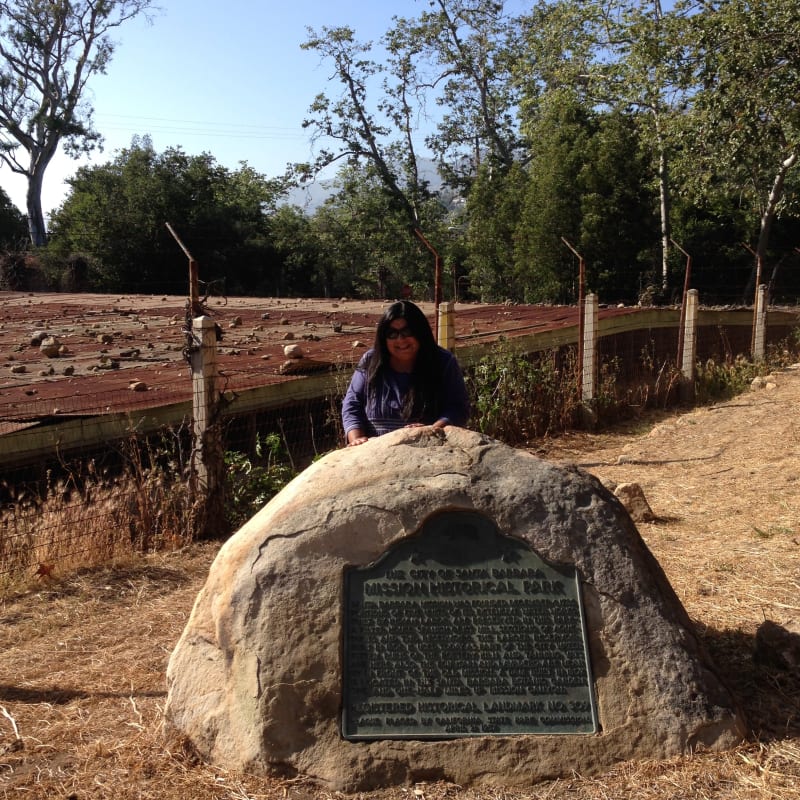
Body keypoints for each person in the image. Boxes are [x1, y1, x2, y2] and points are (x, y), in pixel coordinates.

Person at [341, 300, 470, 446]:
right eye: (392, 334)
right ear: (383, 338)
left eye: (407, 332)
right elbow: (352, 404)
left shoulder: (443, 362)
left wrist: (433, 430)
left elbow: (458, 408)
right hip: (373, 451)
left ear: (420, 332)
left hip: (427, 450)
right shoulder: (371, 361)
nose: (401, 340)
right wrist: (356, 440)